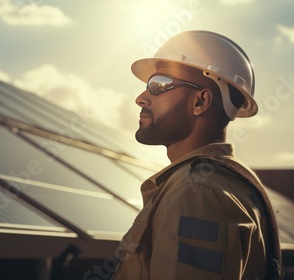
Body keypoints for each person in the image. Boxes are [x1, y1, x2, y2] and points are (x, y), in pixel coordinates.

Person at [111, 30, 283, 279]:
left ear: (200, 101)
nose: (141, 98)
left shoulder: (197, 191)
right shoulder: (219, 184)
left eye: (158, 84)